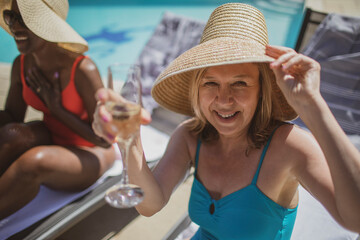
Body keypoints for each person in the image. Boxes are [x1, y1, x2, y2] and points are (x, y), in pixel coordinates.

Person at [93, 3, 360, 239]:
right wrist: (128, 138)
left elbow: (355, 219)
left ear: (262, 90)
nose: (223, 99)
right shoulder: (190, 135)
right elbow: (150, 205)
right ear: (197, 89)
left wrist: (312, 106)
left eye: (240, 83)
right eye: (210, 83)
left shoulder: (289, 147)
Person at [0, 0, 115, 219]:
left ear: (46, 22)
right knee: (10, 135)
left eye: (23, 18)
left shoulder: (82, 69)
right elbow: (12, 117)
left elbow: (106, 139)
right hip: (52, 135)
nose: (14, 26)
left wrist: (57, 108)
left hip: (91, 150)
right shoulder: (22, 64)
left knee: (34, 161)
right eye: (11, 17)